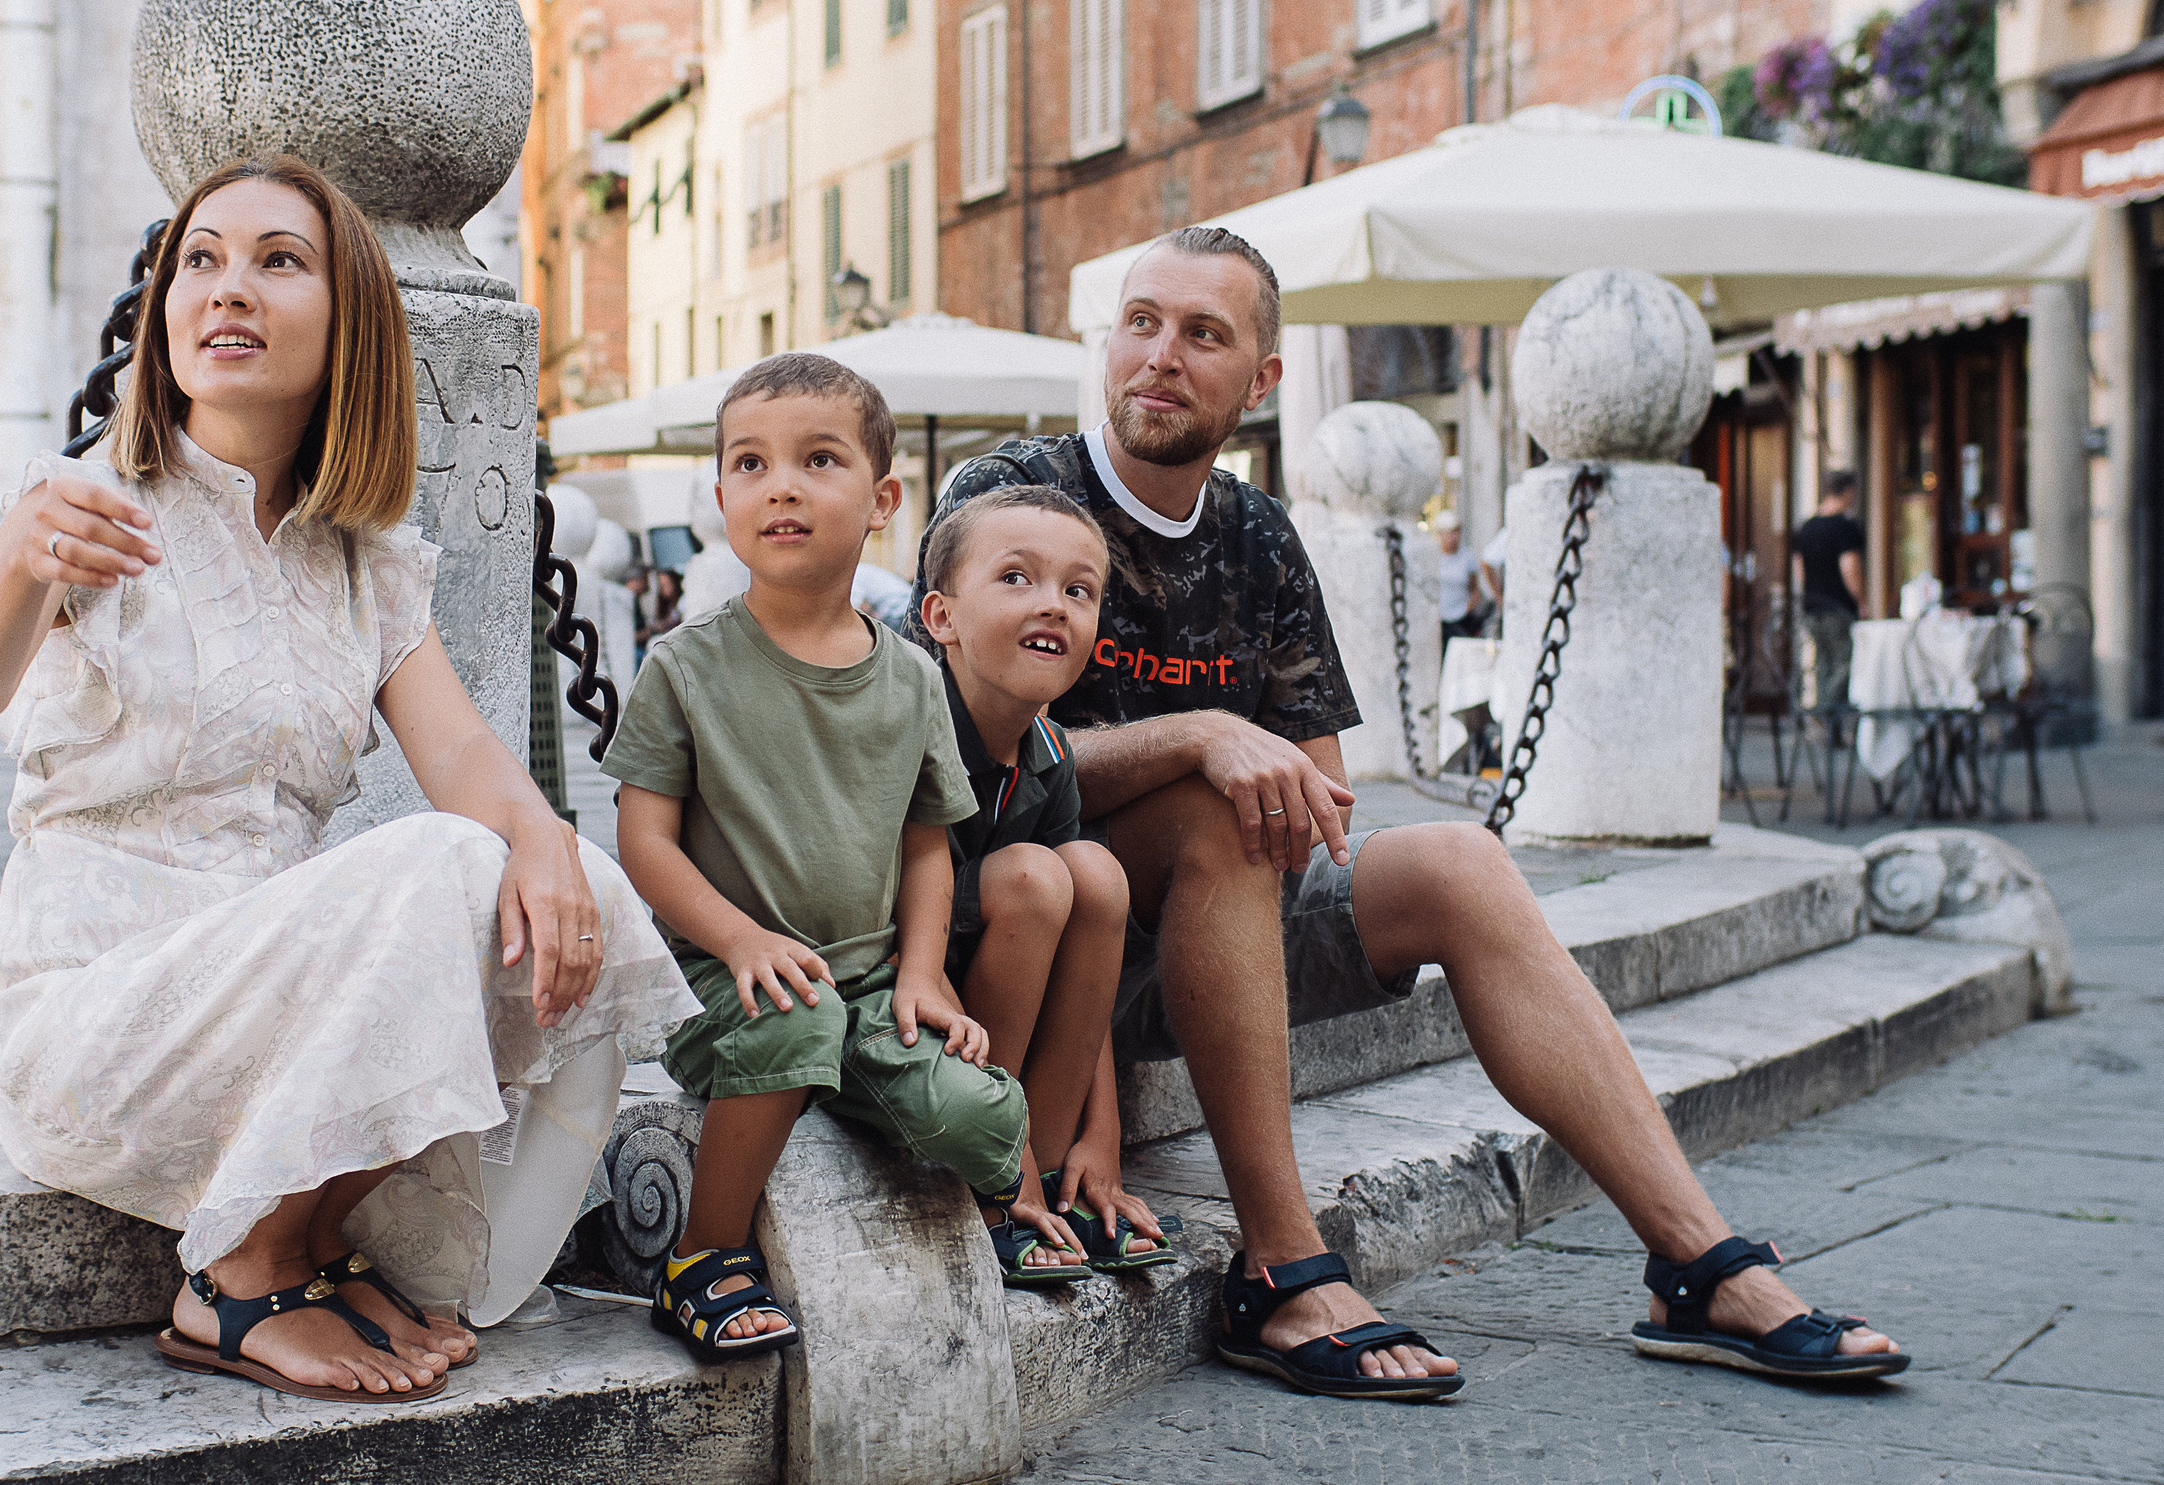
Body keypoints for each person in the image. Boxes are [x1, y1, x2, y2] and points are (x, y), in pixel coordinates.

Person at [912, 225, 1908, 1398]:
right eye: (1141, 322)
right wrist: (1200, 736)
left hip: (1216, 926)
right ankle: (1280, 1270)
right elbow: (939, 758)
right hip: (1035, 942)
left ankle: (1693, 1260)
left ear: (1261, 378)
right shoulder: (1013, 496)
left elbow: (1317, 800)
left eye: (1202, 334)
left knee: (1454, 859)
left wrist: (1246, 770)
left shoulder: (1259, 534)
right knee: (1222, 802)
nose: (1159, 356)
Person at [0, 153, 698, 1407]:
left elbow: (462, 759)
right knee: (453, 861)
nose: (227, 289)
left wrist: (552, 848)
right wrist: (17, 568)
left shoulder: (367, 560)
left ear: (349, 320)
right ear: (166, 310)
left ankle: (307, 1236)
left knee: (565, 888)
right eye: (201, 260)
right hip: (96, 1018)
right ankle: (243, 1276)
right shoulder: (88, 502)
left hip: (274, 1016)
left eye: (277, 261)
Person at [605, 353, 1025, 1363]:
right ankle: (702, 1258)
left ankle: (910, 1118)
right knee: (789, 1018)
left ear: (882, 500)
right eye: (749, 465)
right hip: (724, 979)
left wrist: (923, 970)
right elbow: (641, 841)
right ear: (721, 500)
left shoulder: (914, 679)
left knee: (980, 1120)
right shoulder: (684, 666)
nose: (779, 484)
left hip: (872, 979)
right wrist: (739, 938)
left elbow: (929, 844)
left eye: (817, 459)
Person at [916, 484, 1173, 1283]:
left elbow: (1082, 969)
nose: (1054, 606)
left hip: (1005, 1015)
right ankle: (998, 1181)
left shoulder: (1050, 754)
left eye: (1078, 590)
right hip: (902, 1004)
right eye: (1017, 578)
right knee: (1033, 877)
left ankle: (1055, 1177)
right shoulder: (908, 730)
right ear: (941, 618)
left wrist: (1107, 1135)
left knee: (1092, 869)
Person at [1794, 470, 1867, 714]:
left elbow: (1799, 570)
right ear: (1848, 492)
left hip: (1812, 606)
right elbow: (1850, 568)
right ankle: (1826, 714)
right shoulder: (1845, 527)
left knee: (1822, 664)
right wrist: (1861, 599)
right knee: (1844, 663)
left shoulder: (1806, 527)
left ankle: (1826, 722)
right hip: (1838, 607)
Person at [1433, 509, 1484, 643]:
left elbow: (1475, 589)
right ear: (1440, 534)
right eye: (1448, 532)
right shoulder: (1432, 557)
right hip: (1437, 619)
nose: (1453, 536)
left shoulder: (1468, 557)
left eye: (1456, 531)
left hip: (1460, 617)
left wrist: (1466, 608)